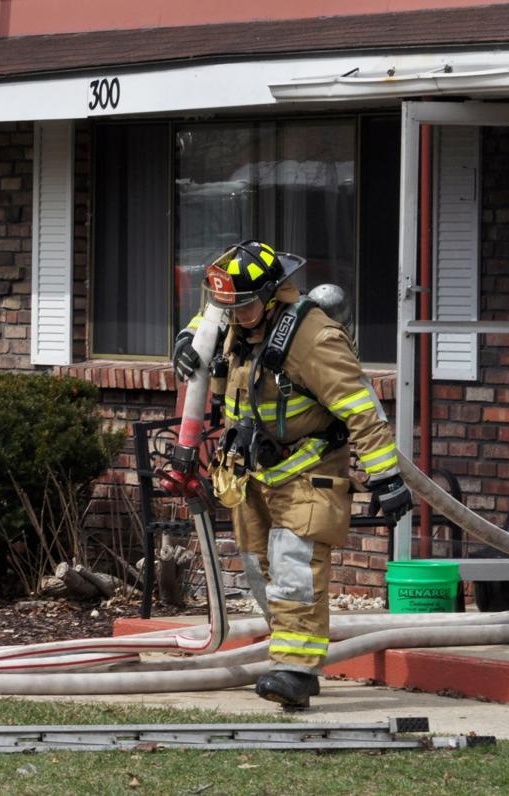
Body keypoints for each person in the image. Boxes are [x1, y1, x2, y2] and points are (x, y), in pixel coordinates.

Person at [172, 240, 413, 708]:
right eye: (228, 306)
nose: (231, 315)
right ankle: (290, 655)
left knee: (294, 569)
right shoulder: (237, 317)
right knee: (260, 571)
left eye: (242, 306)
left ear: (272, 295)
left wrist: (386, 477)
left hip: (308, 473)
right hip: (252, 473)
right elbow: (209, 319)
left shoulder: (314, 339)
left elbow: (362, 409)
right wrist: (188, 338)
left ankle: (295, 673)